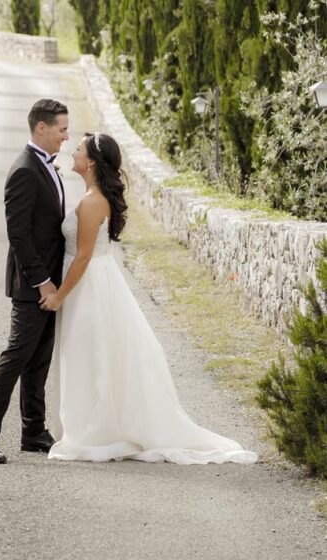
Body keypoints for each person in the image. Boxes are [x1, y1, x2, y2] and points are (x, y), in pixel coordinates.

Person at [41, 132, 258, 465]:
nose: (74, 153)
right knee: (91, 351)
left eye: (80, 150)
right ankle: (88, 422)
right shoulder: (92, 196)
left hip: (88, 285)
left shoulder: (91, 201)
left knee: (90, 351)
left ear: (93, 162)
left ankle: (93, 430)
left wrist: (58, 297)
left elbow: (83, 256)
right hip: (95, 280)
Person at [0, 98, 70, 464]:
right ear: (41, 128)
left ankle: (33, 431)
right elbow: (19, 236)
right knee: (15, 358)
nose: (66, 135)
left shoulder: (46, 166)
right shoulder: (24, 171)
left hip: (51, 284)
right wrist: (44, 282)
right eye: (61, 129)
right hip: (33, 286)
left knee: (39, 361)